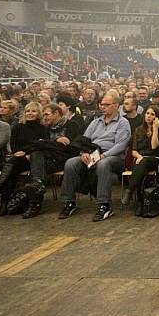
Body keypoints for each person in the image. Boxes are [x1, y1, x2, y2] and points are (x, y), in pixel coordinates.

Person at [58, 93, 132, 222]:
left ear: (116, 105)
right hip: (93, 153)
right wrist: (84, 153)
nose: (103, 107)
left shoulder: (123, 123)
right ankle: (69, 202)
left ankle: (104, 204)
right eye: (101, 105)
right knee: (71, 163)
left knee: (104, 163)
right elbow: (84, 141)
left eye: (107, 105)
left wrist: (103, 155)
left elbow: (121, 145)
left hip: (114, 157)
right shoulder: (95, 122)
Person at [0, 102, 46, 215]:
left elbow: (42, 145)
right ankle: (4, 202)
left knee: (12, 166)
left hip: (34, 160)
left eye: (33, 111)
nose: (30, 113)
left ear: (39, 113)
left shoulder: (43, 128)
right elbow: (14, 145)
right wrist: (21, 152)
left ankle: (0, 195)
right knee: (14, 165)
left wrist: (27, 152)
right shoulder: (17, 126)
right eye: (27, 111)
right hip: (19, 157)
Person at [122, 105, 159, 212]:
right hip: (141, 158)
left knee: (142, 163)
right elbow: (134, 150)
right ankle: (141, 203)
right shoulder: (139, 130)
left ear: (157, 117)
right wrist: (140, 157)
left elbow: (154, 146)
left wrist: (155, 128)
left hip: (156, 158)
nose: (149, 116)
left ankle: (130, 191)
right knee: (141, 164)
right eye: (147, 113)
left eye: (152, 114)